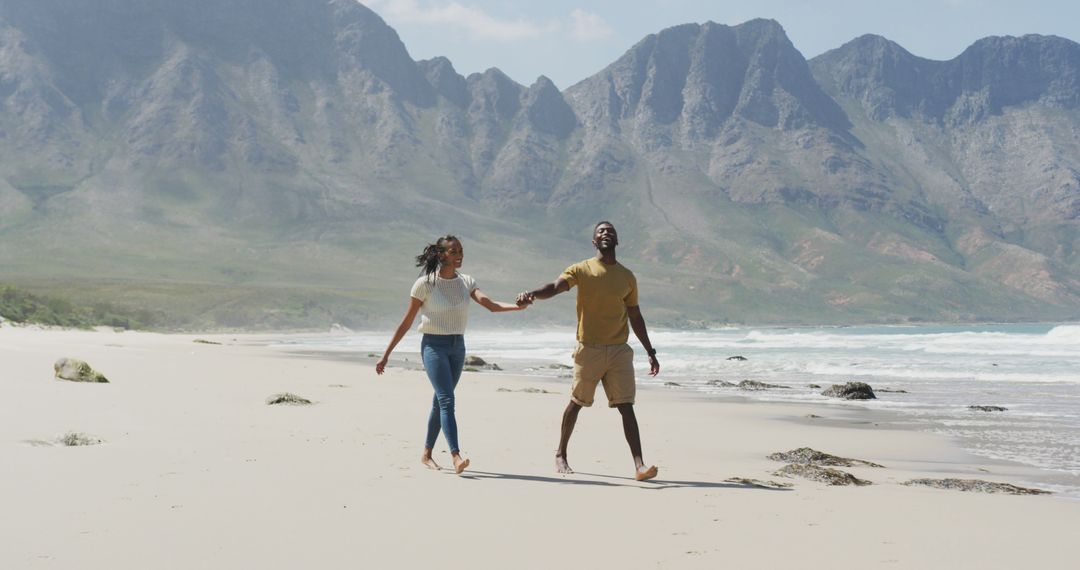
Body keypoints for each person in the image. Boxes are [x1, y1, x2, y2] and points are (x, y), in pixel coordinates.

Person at [517, 221, 660, 481]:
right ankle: (561, 453)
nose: (606, 233)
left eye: (611, 231)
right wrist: (532, 294)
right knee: (577, 403)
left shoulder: (627, 277)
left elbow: (635, 315)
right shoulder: (581, 269)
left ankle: (639, 465)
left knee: (626, 406)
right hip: (589, 348)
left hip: (619, 350)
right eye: (601, 232)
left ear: (617, 241)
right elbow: (555, 287)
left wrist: (650, 350)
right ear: (594, 242)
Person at [376, 235, 526, 474]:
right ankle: (456, 456)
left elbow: (491, 305)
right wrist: (386, 354)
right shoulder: (424, 284)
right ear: (441, 254)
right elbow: (406, 322)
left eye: (461, 250)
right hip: (433, 347)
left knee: (440, 401)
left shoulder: (466, 281)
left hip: (458, 348)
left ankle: (426, 454)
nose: (459, 255)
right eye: (454, 251)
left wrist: (519, 306)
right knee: (447, 400)